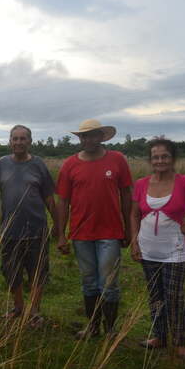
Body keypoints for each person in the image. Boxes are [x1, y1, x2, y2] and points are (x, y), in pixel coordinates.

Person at [130, 138, 185, 358]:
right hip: (147, 250)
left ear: (173, 159)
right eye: (155, 157)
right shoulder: (141, 184)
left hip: (174, 251)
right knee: (155, 295)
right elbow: (134, 213)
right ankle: (159, 337)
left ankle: (180, 341)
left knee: (174, 296)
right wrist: (134, 239)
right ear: (150, 160)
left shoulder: (184, 182)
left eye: (164, 156)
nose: (159, 161)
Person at [56, 119, 132, 338]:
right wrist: (61, 234)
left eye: (92, 135)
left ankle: (110, 330)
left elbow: (127, 194)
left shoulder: (117, 160)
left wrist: (128, 229)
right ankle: (92, 328)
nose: (87, 139)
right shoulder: (70, 164)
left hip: (110, 232)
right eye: (84, 136)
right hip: (81, 234)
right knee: (89, 283)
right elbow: (63, 202)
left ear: (101, 136)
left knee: (109, 284)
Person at [0, 125, 57, 326]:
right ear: (10, 141)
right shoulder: (2, 164)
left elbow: (49, 197)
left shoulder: (39, 165)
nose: (19, 142)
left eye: (23, 139)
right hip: (10, 231)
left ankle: (34, 312)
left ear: (29, 142)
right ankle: (19, 308)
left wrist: (58, 224)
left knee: (37, 272)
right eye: (15, 139)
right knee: (11, 271)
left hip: (37, 230)